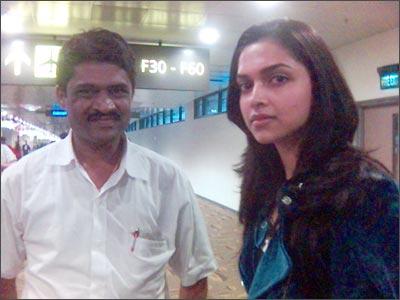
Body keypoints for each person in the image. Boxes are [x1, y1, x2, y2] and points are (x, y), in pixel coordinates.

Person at [1, 28, 217, 299]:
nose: (105, 105)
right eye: (87, 92)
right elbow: (4, 275)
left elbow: (195, 276)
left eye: (117, 91)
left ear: (132, 93)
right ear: (61, 96)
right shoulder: (20, 181)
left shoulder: (168, 181)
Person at [227, 19, 399, 299]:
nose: (255, 98)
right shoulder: (268, 187)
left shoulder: (365, 195)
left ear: (318, 85)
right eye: (245, 85)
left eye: (278, 79)